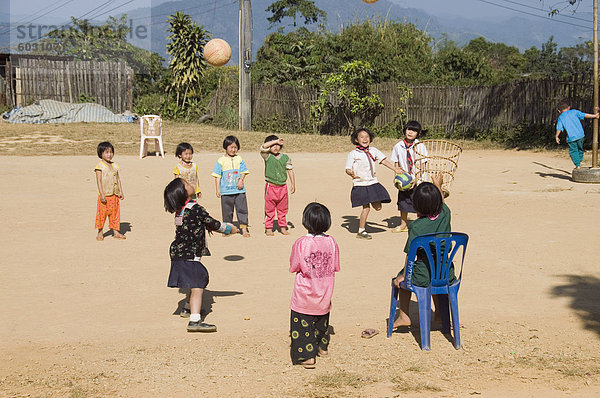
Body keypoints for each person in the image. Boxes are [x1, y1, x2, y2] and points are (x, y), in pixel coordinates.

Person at [164, 178, 239, 332]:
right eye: (186, 184)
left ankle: (187, 308)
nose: (190, 184)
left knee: (191, 282)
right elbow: (212, 223)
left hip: (178, 252)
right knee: (198, 283)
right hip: (189, 253)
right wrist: (230, 229)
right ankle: (195, 320)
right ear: (183, 193)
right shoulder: (195, 209)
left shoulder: (181, 210)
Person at [391, 174, 452, 329]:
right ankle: (439, 314)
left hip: (423, 272)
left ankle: (404, 316)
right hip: (446, 271)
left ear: (415, 205)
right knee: (436, 277)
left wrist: (404, 276)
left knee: (400, 279)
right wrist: (437, 184)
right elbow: (441, 203)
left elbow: (410, 256)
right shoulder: (445, 213)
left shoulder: (417, 227)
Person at [289, 202, 340, 369]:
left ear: (305, 221)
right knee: (321, 323)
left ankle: (307, 356)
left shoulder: (301, 243)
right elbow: (335, 266)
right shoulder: (332, 242)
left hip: (304, 294)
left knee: (303, 325)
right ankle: (322, 347)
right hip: (325, 292)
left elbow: (294, 265)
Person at [345, 128, 401, 240]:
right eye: (361, 137)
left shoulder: (373, 150)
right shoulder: (353, 153)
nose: (365, 139)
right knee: (366, 208)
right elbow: (347, 168)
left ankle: (363, 226)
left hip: (373, 183)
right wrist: (351, 173)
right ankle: (361, 230)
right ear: (356, 139)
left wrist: (395, 169)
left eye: (367, 137)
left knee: (378, 207)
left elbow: (383, 160)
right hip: (360, 184)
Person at [390, 121, 428, 233]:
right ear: (404, 130)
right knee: (403, 202)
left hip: (419, 179)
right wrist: (396, 177)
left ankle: (420, 224)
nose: (410, 132)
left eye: (414, 130)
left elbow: (423, 164)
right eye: (408, 129)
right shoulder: (398, 146)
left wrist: (416, 179)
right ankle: (403, 224)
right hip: (404, 179)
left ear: (418, 133)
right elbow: (396, 163)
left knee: (419, 203)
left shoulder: (420, 146)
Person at [212, 135, 251, 237]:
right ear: (226, 147)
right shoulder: (221, 160)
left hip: (239, 191)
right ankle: (227, 229)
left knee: (242, 209)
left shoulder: (239, 159)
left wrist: (241, 180)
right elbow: (217, 176)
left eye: (235, 147)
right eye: (231, 147)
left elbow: (243, 172)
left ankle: (244, 229)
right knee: (227, 211)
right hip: (226, 191)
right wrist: (218, 189)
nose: (233, 150)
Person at [260, 135, 296, 236]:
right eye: (272, 145)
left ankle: (283, 227)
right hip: (270, 187)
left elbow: (290, 170)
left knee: (283, 209)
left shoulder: (285, 158)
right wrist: (275, 140)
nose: (275, 147)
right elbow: (262, 147)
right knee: (269, 209)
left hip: (282, 187)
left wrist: (293, 183)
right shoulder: (267, 156)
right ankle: (268, 228)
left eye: (277, 145)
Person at [555, 101, 600, 169]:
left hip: (571, 137)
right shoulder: (574, 112)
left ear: (559, 111)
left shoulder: (561, 117)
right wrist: (595, 116)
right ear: (569, 107)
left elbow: (559, 128)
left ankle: (577, 165)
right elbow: (584, 115)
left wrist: (557, 136)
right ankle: (580, 161)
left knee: (573, 151)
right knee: (580, 149)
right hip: (580, 135)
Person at [94, 141, 125, 241]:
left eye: (111, 152)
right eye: (106, 152)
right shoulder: (99, 167)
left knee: (115, 213)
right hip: (105, 195)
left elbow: (118, 179)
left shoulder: (115, 166)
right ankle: (100, 232)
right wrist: (101, 194)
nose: (109, 155)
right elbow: (98, 181)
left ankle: (115, 231)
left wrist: (121, 191)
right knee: (102, 214)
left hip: (114, 194)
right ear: (101, 154)